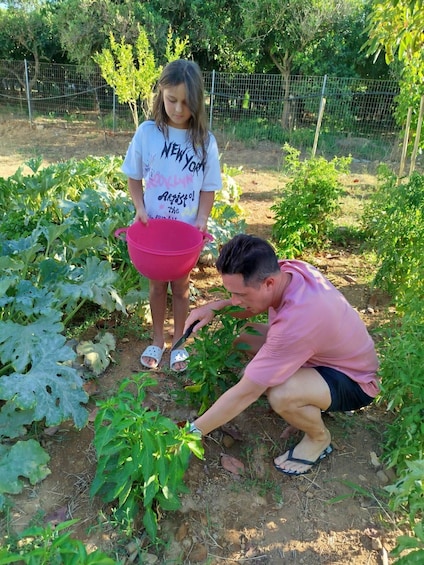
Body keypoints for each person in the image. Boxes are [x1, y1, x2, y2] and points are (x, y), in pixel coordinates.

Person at [185, 234, 380, 476]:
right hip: (324, 355)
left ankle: (319, 438)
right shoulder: (288, 270)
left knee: (280, 393)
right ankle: (308, 398)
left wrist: (189, 434)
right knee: (246, 336)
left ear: (268, 283)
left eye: (241, 295)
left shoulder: (298, 322)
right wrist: (214, 307)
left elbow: (245, 394)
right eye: (232, 293)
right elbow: (252, 307)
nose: (235, 301)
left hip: (354, 381)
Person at [122, 59, 222, 372]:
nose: (178, 109)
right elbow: (133, 176)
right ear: (161, 94)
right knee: (155, 287)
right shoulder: (148, 133)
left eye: (186, 103)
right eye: (171, 100)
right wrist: (139, 207)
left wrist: (202, 218)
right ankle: (157, 339)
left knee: (180, 288)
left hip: (184, 234)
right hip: (154, 230)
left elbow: (208, 188)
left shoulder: (205, 141)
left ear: (198, 102)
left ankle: (179, 341)